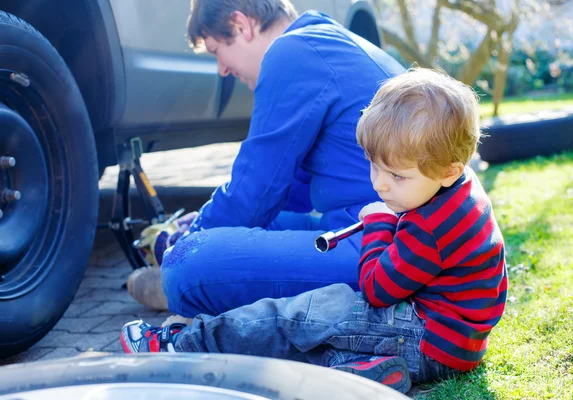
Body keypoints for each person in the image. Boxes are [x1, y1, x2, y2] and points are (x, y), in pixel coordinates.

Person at [121, 68, 508, 393]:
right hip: (455, 345)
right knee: (321, 335)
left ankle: (184, 346)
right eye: (374, 166)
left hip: (426, 336)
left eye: (396, 175)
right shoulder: (460, 188)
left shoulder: (430, 226)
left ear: (448, 169)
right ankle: (362, 371)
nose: (380, 184)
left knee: (306, 315)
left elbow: (376, 289)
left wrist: (378, 224)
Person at [127, 0, 406, 316]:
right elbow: (287, 194)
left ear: (241, 26)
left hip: (385, 252)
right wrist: (203, 221)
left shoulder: (291, 53)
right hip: (388, 232)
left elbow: (254, 193)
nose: (222, 70)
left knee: (185, 263)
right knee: (258, 223)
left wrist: (186, 240)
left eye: (217, 50)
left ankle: (187, 285)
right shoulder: (322, 41)